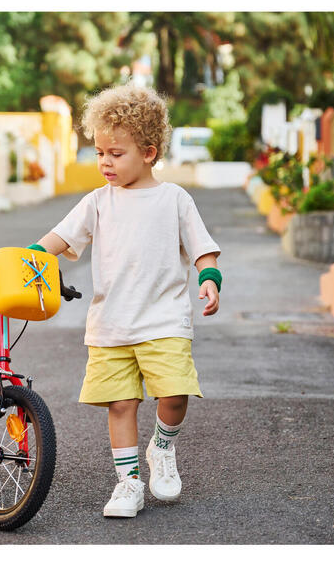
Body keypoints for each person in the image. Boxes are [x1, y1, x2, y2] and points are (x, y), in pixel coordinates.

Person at [26, 83, 221, 518]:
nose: (105, 163)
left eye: (116, 153)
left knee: (175, 393)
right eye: (99, 153)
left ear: (149, 152)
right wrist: (33, 256)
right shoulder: (97, 202)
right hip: (111, 322)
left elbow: (200, 245)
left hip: (165, 318)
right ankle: (128, 483)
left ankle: (162, 447)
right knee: (120, 404)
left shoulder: (174, 199)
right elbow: (61, 236)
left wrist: (208, 275)